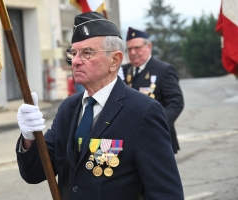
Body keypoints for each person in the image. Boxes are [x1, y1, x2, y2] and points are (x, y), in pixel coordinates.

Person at [16, 12, 184, 200]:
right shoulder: (69, 108)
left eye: (87, 53)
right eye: (73, 53)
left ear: (115, 60)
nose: (77, 61)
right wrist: (29, 137)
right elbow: (35, 173)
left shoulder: (142, 111)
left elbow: (166, 193)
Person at [122, 27, 184, 154]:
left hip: (157, 137)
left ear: (149, 46)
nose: (133, 52)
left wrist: (157, 124)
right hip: (129, 138)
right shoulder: (122, 71)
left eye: (137, 47)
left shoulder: (163, 70)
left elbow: (176, 103)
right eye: (129, 49)